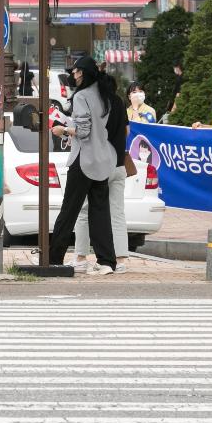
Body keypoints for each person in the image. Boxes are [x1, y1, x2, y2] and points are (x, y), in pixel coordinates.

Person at [48, 56, 119, 274]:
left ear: (83, 73)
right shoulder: (105, 94)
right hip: (103, 158)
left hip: (83, 159)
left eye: (76, 71)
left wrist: (63, 129)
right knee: (100, 213)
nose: (73, 75)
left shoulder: (81, 96)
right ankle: (106, 261)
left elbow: (84, 131)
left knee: (69, 210)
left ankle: (54, 259)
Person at [75, 71, 132, 274]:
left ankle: (81, 257)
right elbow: (126, 131)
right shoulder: (119, 103)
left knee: (84, 210)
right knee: (117, 212)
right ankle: (121, 259)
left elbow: (88, 131)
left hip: (99, 166)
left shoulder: (97, 105)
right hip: (118, 166)